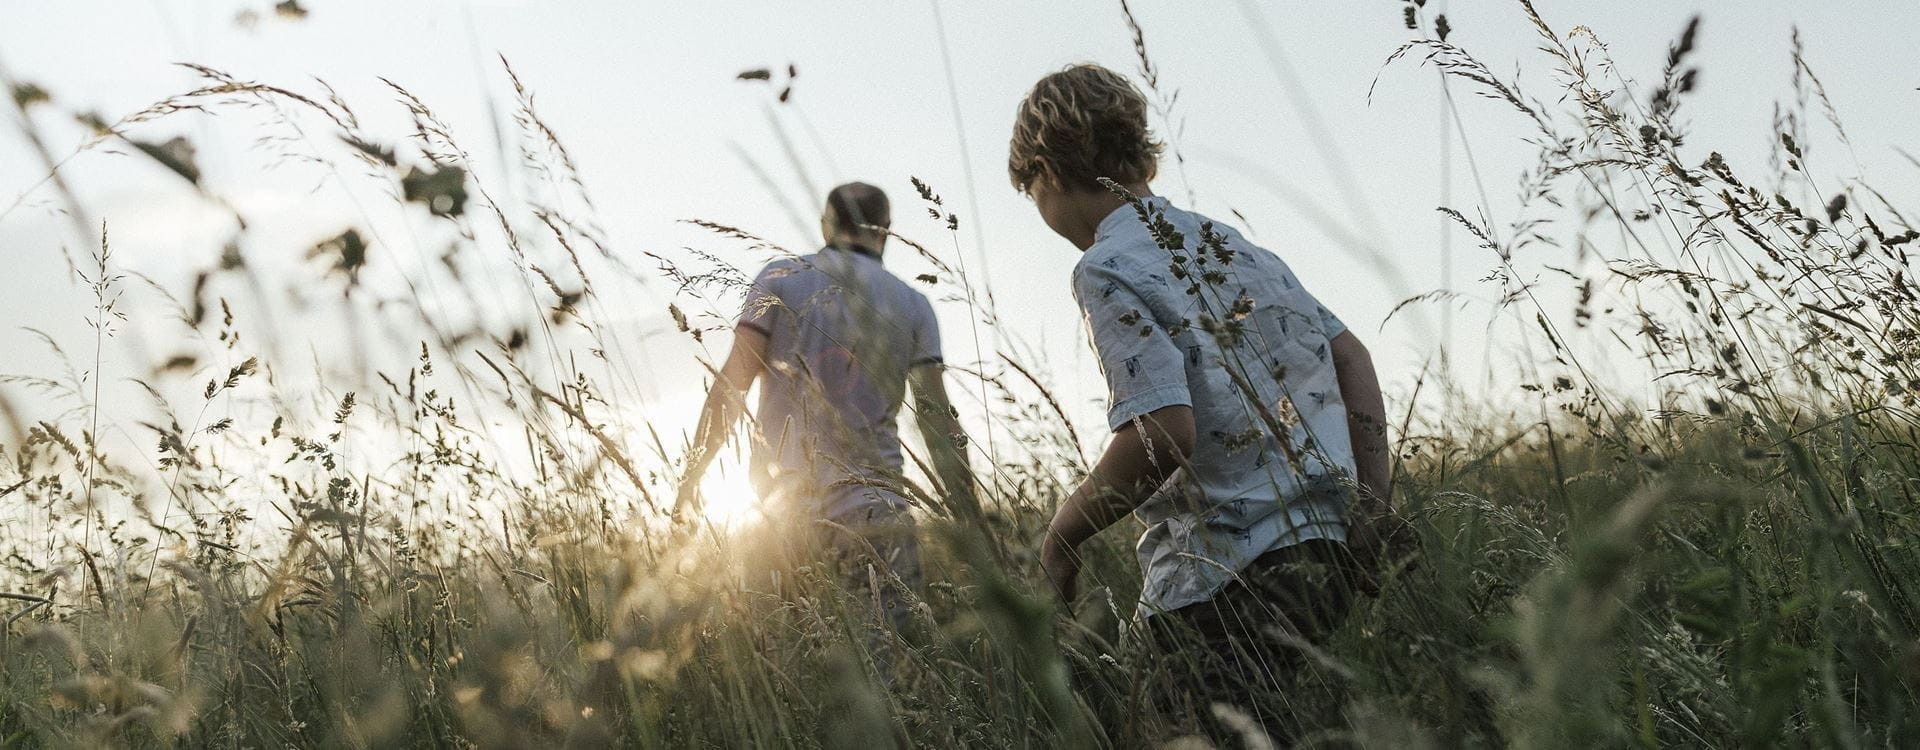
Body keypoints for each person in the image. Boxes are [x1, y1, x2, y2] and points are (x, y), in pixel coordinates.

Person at [1007, 64, 1413, 741]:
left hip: (1228, 575)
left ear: (1044, 171)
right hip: (1327, 551)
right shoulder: (1233, 245)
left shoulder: (1105, 267)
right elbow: (1352, 358)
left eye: (1033, 195)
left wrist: (1062, 536)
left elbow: (1163, 432)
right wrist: (1371, 504)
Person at [673, 181, 974, 680]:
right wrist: (967, 512)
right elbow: (937, 418)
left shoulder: (781, 278)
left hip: (784, 515)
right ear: (888, 233)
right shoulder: (914, 304)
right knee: (884, 681)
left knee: (790, 678)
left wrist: (691, 478)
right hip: (879, 513)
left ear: (825, 225)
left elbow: (733, 384)